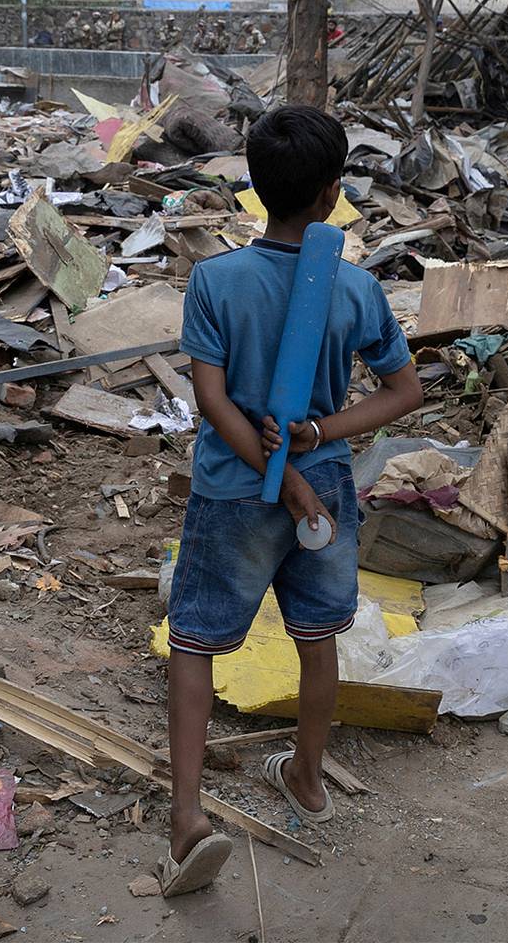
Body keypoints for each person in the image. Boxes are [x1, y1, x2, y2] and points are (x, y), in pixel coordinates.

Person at [160, 105, 423, 896]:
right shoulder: (354, 288)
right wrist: (317, 436)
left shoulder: (215, 281)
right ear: (333, 193)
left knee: (197, 645)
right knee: (317, 641)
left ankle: (186, 820)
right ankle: (307, 777)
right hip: (328, 488)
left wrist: (282, 456)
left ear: (252, 188)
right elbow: (403, 391)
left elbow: (213, 402)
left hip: (232, 490)